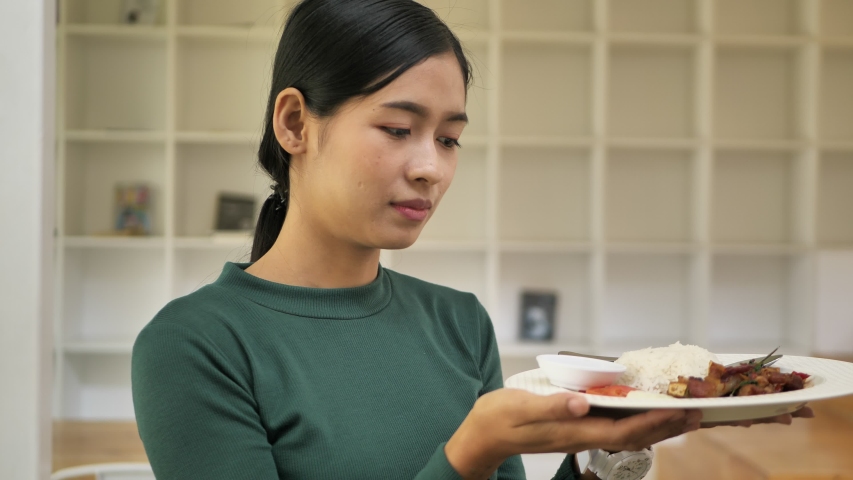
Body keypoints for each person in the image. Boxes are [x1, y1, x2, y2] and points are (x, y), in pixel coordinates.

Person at [131, 1, 812, 479]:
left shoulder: (457, 322)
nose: (430, 167)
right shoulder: (195, 344)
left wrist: (609, 450)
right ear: (294, 124)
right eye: (398, 129)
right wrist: (468, 454)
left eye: (450, 138)